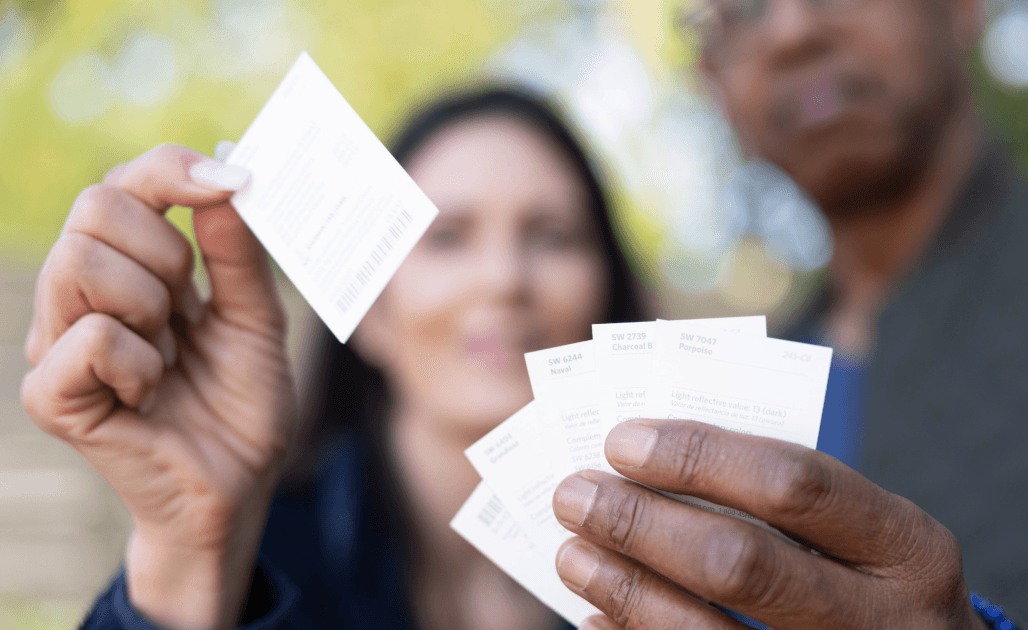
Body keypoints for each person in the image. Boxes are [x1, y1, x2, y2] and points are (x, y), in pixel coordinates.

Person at [537, 0, 1028, 628]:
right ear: (714, 81)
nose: (791, 32)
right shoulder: (730, 390)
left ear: (961, 8)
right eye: (743, 12)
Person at [22, 87, 644, 630]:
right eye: (448, 237)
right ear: (370, 312)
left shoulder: (687, 571)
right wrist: (187, 551)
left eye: (554, 235)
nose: (505, 279)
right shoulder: (258, 556)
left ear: (608, 294)